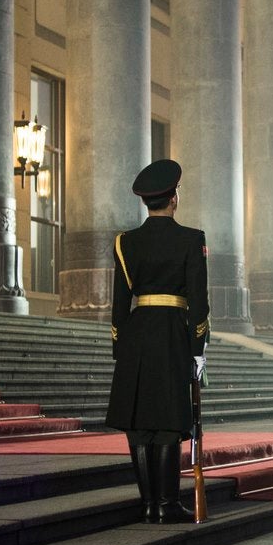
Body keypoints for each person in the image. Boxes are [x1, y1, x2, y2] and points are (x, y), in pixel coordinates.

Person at [105, 159, 210, 524]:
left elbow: (119, 305)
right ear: (174, 198)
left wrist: (120, 346)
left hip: (136, 334)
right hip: (171, 334)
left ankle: (149, 504)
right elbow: (199, 300)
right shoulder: (191, 239)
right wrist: (198, 349)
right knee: (166, 419)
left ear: (147, 202)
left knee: (140, 422)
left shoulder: (125, 243)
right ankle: (166, 504)